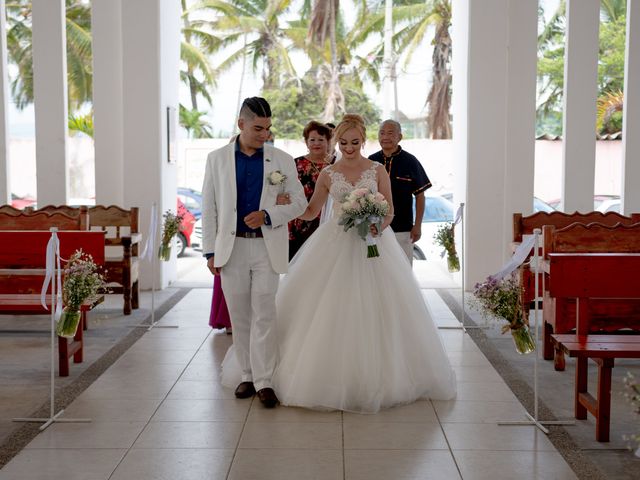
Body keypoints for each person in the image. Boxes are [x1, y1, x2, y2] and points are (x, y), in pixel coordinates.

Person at [268, 114, 456, 413]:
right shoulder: (329, 173)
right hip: (335, 241)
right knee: (329, 304)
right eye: (343, 143)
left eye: (355, 142)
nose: (349, 148)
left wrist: (377, 226)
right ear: (336, 142)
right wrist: (282, 208)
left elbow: (391, 210)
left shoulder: (377, 169)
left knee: (379, 305)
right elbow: (312, 210)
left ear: (363, 140)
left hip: (373, 242)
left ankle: (382, 375)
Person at [202, 96, 307, 408]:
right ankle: (246, 375)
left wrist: (268, 214)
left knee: (265, 312)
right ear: (241, 124)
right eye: (258, 128)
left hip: (266, 246)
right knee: (240, 315)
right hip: (230, 249)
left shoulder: (282, 160)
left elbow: (299, 202)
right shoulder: (217, 159)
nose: (265, 135)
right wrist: (209, 252)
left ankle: (265, 380)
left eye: (268, 129)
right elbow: (209, 207)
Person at [369, 119, 432, 264]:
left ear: (399, 137)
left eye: (390, 133)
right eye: (382, 133)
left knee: (403, 270)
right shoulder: (371, 161)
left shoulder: (410, 161)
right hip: (374, 229)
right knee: (375, 269)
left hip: (403, 230)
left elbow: (420, 196)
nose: (385, 137)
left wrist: (417, 226)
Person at [288, 121, 335, 259]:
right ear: (306, 142)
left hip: (327, 218)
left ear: (328, 141)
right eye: (312, 140)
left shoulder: (336, 165)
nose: (316, 143)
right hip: (299, 218)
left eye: (321, 140)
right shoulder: (295, 164)